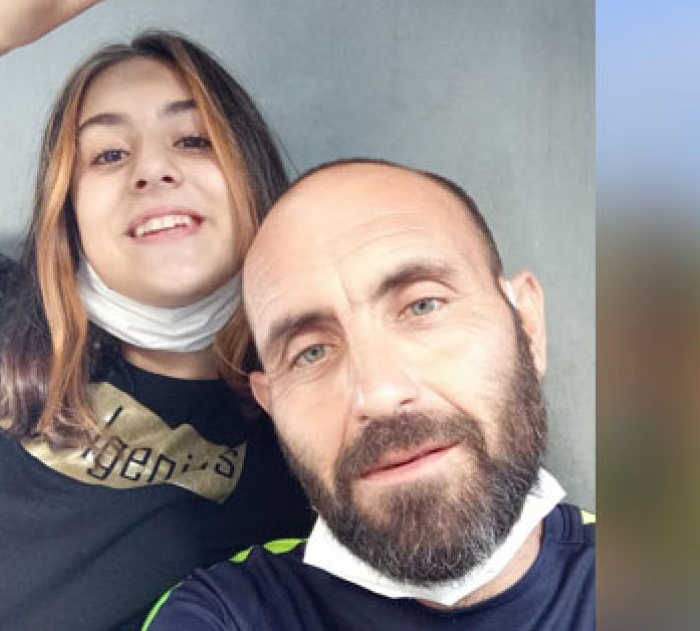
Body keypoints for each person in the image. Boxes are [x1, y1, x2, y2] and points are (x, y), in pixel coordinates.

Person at [0, 0, 313, 628]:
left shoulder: (314, 428)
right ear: (68, 208)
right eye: (108, 154)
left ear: (253, 178)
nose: (153, 169)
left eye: (193, 140)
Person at [145, 159, 595, 630]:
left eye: (423, 306)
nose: (379, 394)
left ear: (527, 326)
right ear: (272, 404)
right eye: (311, 352)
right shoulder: (225, 613)